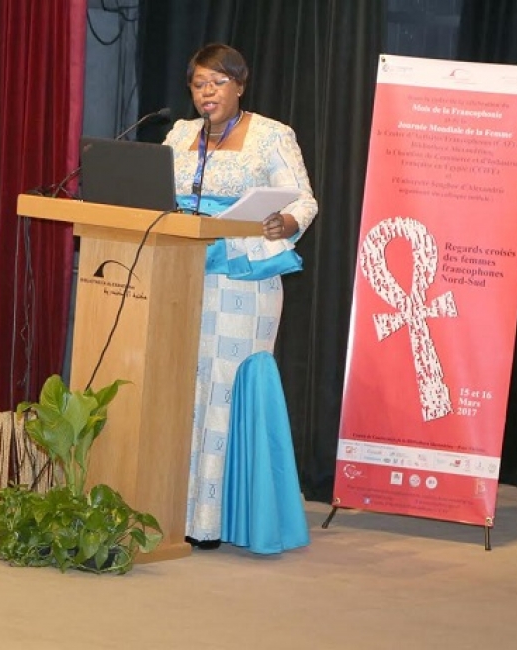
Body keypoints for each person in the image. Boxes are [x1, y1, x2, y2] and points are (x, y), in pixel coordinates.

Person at [163, 43, 318, 548]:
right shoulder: (180, 134)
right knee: (184, 385)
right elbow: (153, 192)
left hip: (245, 277)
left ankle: (215, 519)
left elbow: (304, 200)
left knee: (224, 386)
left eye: (218, 82)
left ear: (240, 85)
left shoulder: (272, 134)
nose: (207, 92)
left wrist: (286, 221)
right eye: (198, 84)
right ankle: (173, 508)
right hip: (182, 271)